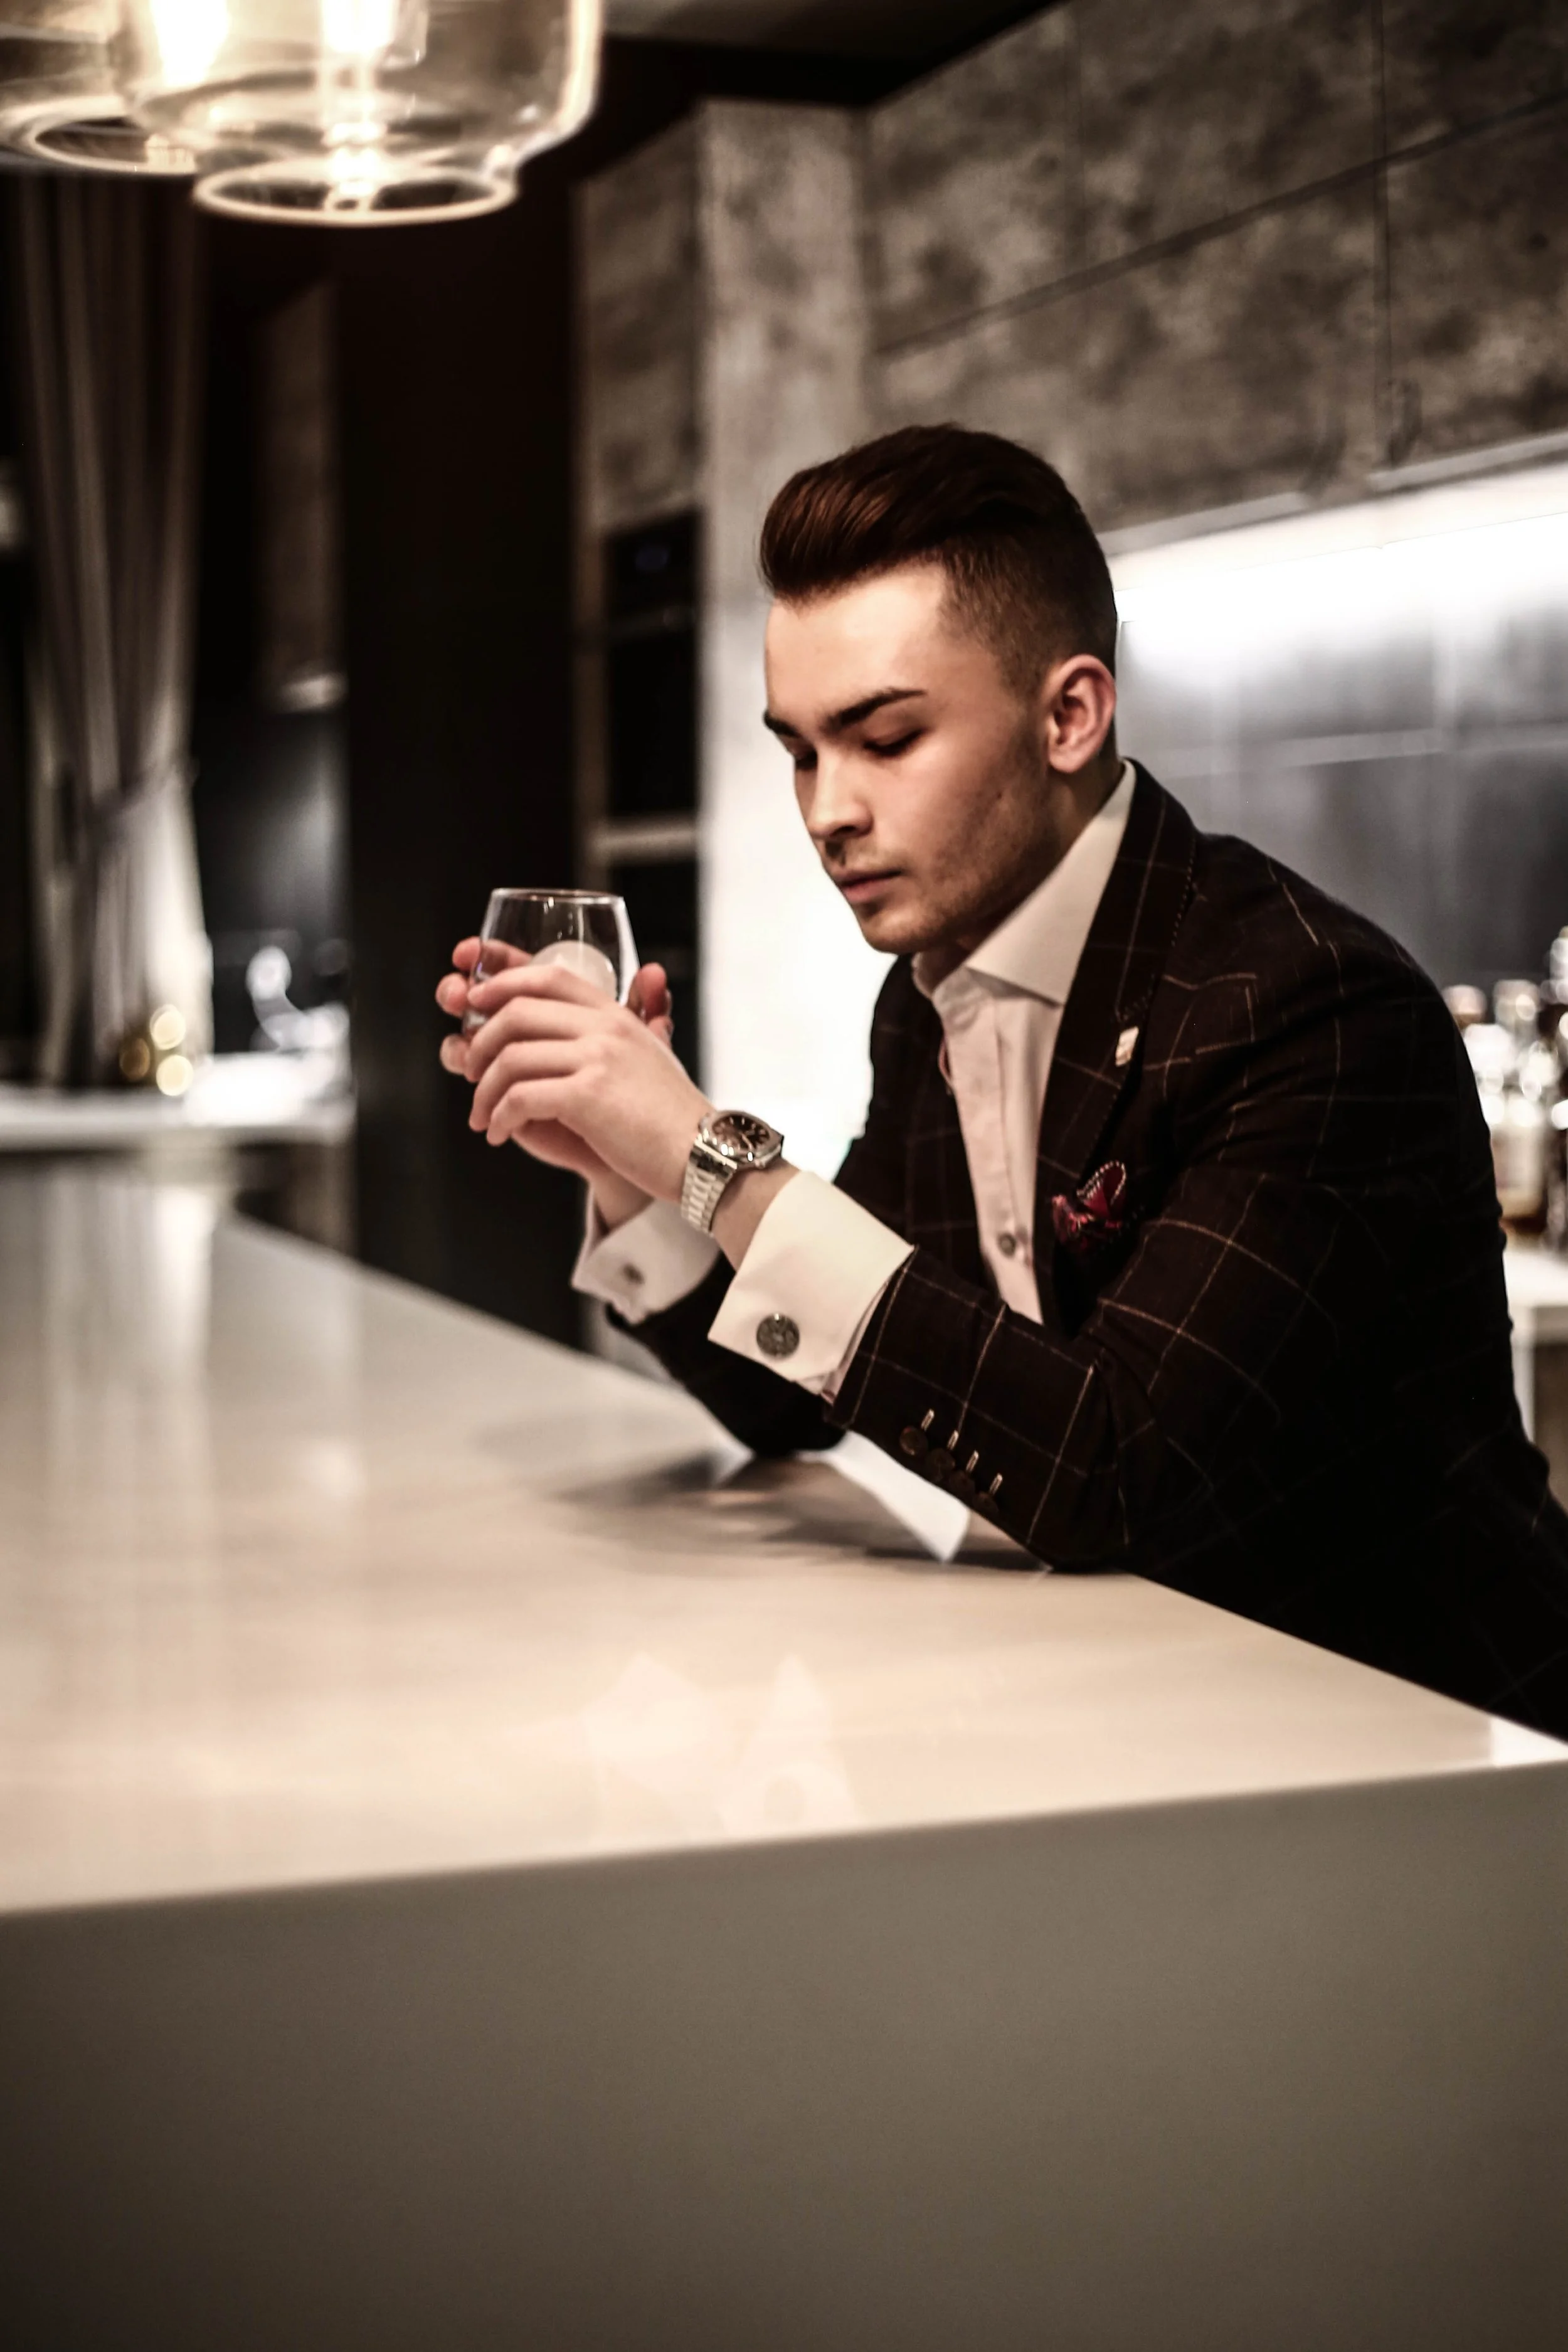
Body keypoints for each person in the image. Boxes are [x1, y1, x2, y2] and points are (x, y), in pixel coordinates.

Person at [438, 423, 1568, 1738]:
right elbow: (795, 1383)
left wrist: (712, 1156)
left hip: (1429, 1756)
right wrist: (633, 1174)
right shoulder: (929, 996)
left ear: (1068, 714)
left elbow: (1111, 1468)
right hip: (1131, 1720)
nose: (824, 810)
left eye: (884, 738)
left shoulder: (1306, 1008)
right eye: (801, 750)